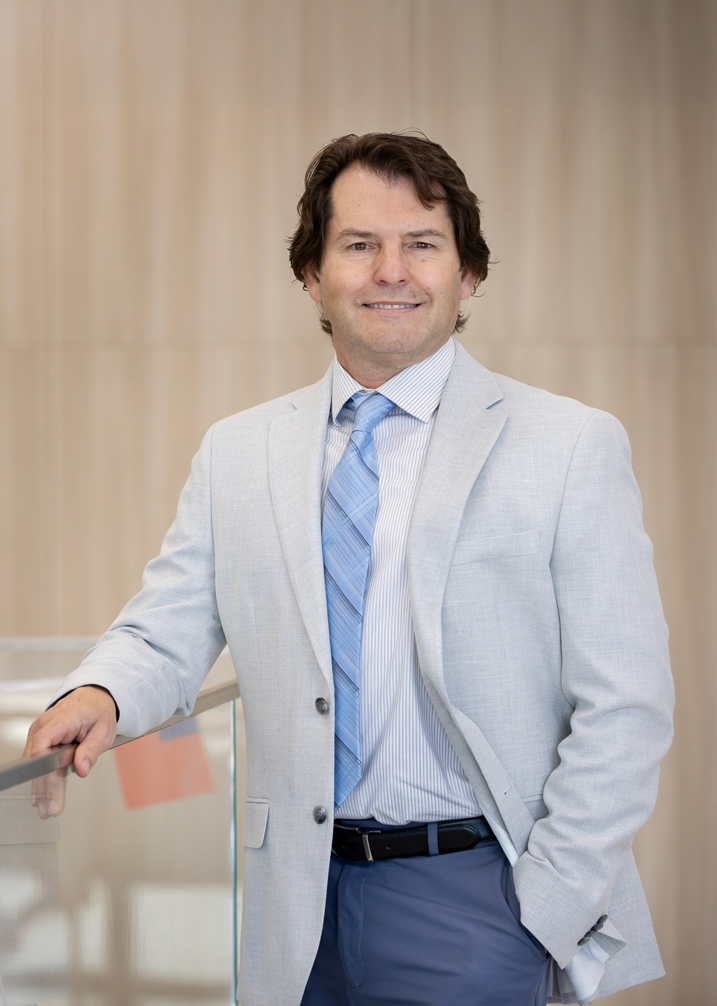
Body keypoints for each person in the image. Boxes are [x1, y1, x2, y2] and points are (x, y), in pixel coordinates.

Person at [25, 132, 674, 1006]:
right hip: (291, 901)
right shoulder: (239, 450)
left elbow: (626, 703)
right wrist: (99, 693)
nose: (389, 271)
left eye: (422, 244)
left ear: (468, 273)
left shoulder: (565, 445)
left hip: (478, 897)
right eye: (358, 245)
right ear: (311, 274)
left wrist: (548, 900)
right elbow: (168, 623)